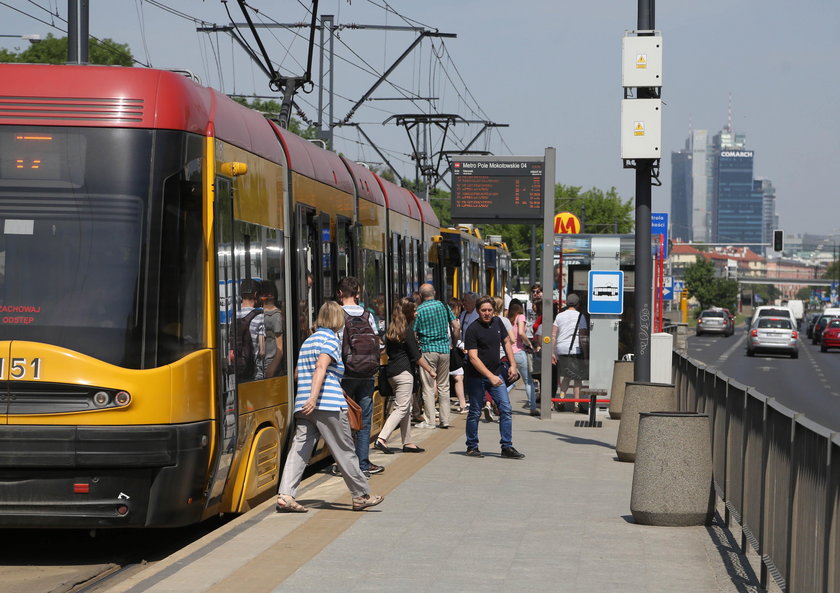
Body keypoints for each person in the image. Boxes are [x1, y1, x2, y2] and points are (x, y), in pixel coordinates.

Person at [276, 301, 384, 513]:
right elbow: (321, 367)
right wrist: (315, 397)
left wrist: (308, 397)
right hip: (327, 404)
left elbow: (298, 373)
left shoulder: (309, 340)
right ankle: (361, 495)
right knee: (344, 449)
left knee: (299, 449)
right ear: (338, 319)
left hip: (304, 406)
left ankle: (285, 495)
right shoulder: (330, 339)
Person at [463, 296, 525, 459]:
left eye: (489, 310)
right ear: (478, 311)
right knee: (475, 411)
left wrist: (512, 365)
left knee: (505, 408)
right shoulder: (472, 329)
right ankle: (472, 446)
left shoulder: (497, 323)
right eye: (483, 310)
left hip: (496, 374)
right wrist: (490, 376)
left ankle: (507, 446)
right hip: (477, 377)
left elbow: (506, 343)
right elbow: (473, 358)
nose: (487, 313)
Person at [337, 276, 384, 477]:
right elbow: (379, 345)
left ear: (340, 293)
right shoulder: (368, 315)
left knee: (343, 421)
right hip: (366, 375)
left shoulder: (337, 315)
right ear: (357, 293)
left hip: (345, 375)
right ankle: (363, 463)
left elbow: (335, 345)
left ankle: (345, 465)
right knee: (363, 421)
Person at [374, 298, 435, 454]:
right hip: (404, 374)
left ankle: (407, 442)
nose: (416, 312)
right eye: (414, 310)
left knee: (406, 407)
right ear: (408, 312)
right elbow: (416, 356)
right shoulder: (406, 331)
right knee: (401, 408)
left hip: (392, 373)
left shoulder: (391, 330)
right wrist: (430, 370)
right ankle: (382, 438)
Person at [413, 283, 459, 429]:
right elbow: (456, 326)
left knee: (427, 386)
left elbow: (414, 333)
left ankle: (430, 421)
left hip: (427, 350)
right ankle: (445, 420)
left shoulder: (419, 310)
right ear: (434, 292)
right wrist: (454, 343)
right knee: (444, 386)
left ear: (420, 295)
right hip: (445, 350)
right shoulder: (443, 306)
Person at [551, 293, 589, 411]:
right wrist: (586, 354)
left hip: (561, 350)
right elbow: (583, 336)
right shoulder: (580, 316)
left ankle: (562, 399)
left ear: (567, 303)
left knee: (566, 376)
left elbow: (553, 335)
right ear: (578, 304)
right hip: (575, 350)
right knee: (577, 378)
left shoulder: (559, 316)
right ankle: (577, 405)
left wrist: (552, 351)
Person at [508, 299, 538, 416]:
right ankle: (533, 407)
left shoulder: (506, 319)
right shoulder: (520, 317)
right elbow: (521, 332)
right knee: (528, 381)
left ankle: (497, 402)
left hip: (508, 353)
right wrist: (529, 343)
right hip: (519, 352)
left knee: (509, 380)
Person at [236, 278, 265, 381]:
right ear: (256, 294)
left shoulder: (233, 316)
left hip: (238, 373)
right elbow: (262, 351)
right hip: (255, 373)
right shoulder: (259, 316)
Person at [260, 280, 284, 378]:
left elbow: (280, 347)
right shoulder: (260, 313)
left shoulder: (275, 315)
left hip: (270, 363)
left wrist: (272, 367)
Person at [448, 297, 468, 414]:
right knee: (459, 378)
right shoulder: (455, 321)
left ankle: (435, 406)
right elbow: (454, 337)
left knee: (440, 380)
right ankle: (462, 405)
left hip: (444, 351)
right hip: (452, 352)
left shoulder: (442, 320)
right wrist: (460, 345)